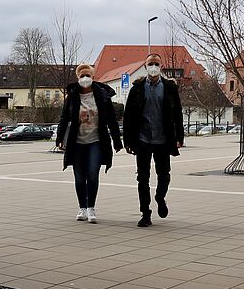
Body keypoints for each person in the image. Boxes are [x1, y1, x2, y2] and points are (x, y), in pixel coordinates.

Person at [56, 63, 123, 223]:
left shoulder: (102, 96)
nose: (85, 78)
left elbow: (112, 120)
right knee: (79, 177)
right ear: (77, 78)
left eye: (88, 75)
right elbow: (64, 118)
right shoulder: (72, 96)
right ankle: (82, 208)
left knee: (92, 175)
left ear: (93, 77)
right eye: (82, 76)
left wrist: (117, 141)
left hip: (96, 141)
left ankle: (91, 207)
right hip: (77, 142)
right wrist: (59, 139)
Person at [123, 53, 184, 227]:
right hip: (142, 139)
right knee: (142, 178)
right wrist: (127, 140)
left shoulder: (169, 87)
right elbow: (128, 116)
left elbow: (177, 113)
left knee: (164, 175)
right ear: (145, 67)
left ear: (161, 66)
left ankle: (160, 197)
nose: (153, 67)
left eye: (156, 64)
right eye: (150, 64)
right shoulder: (137, 88)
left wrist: (179, 137)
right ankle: (145, 213)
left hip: (163, 139)